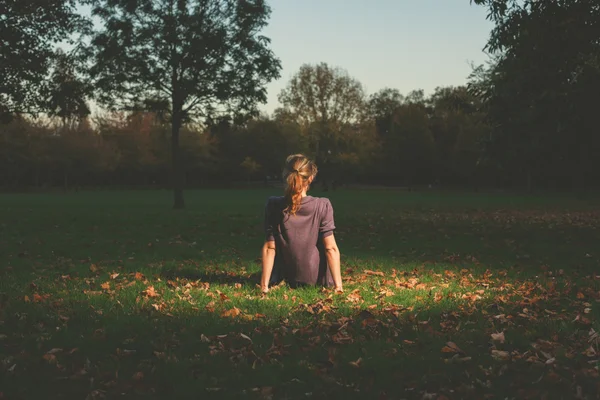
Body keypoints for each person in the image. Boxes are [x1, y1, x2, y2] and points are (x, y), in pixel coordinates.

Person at [260, 154, 343, 293]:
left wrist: (264, 287)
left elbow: (270, 247)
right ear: (310, 178)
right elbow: (331, 248)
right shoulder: (322, 205)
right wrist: (338, 287)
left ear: (286, 175)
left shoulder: (273, 205)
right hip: (316, 279)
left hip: (285, 277)